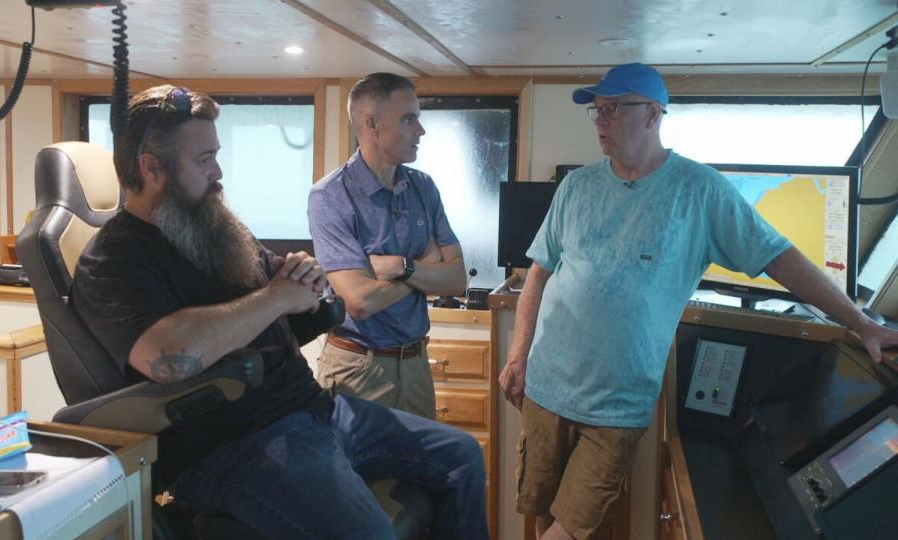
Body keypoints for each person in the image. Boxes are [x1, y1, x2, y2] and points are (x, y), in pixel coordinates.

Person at [497, 63, 898, 540]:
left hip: (617, 406)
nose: (601, 120)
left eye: (612, 109)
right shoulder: (577, 186)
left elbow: (780, 258)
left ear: (652, 114)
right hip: (546, 388)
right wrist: (519, 352)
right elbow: (540, 271)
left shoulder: (700, 190)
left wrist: (862, 323)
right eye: (597, 112)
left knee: (577, 526)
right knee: (542, 513)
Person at [71, 84, 488, 539]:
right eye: (203, 160)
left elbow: (290, 284)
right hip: (233, 444)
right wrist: (275, 297)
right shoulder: (113, 259)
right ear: (152, 168)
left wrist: (302, 280)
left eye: (216, 154)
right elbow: (164, 354)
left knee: (461, 455)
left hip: (311, 410)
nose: (218, 172)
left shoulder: (213, 227)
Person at [307, 72, 466, 419]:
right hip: (358, 369)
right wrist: (425, 267)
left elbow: (457, 281)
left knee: (423, 472)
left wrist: (399, 266)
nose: (420, 131)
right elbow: (360, 302)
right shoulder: (330, 196)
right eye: (409, 119)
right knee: (362, 474)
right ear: (372, 125)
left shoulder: (424, 187)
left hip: (416, 364)